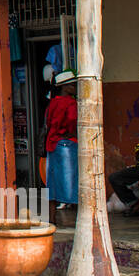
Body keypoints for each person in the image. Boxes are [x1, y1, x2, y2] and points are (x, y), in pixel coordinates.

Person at [42, 69, 79, 224]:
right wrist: (71, 134)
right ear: (66, 87)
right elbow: (72, 122)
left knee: (53, 183)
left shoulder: (53, 102)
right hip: (67, 144)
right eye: (73, 85)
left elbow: (48, 122)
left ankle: (52, 219)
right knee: (73, 182)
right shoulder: (71, 103)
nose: (75, 87)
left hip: (52, 144)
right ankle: (80, 221)